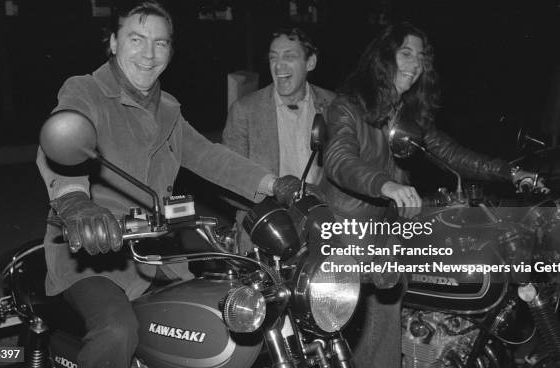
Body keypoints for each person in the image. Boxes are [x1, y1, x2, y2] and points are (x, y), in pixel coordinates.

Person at [36, 2, 303, 367]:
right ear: (113, 43)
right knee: (117, 331)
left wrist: (276, 185)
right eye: (136, 39)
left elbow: (211, 157)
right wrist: (75, 203)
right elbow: (63, 139)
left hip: (155, 253)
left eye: (160, 43)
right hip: (91, 254)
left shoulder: (168, 110)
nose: (148, 54)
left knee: (214, 316)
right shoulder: (85, 91)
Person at [321, 22, 544, 367]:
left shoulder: (406, 117)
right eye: (405, 53)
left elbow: (454, 155)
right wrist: (387, 185)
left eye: (420, 58)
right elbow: (339, 159)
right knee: (366, 337)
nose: (414, 65)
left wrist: (510, 172)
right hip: (344, 235)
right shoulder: (347, 107)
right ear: (383, 58)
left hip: (386, 235)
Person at [222, 27, 335, 252]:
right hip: (264, 236)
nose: (278, 65)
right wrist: (278, 192)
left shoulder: (335, 106)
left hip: (324, 231)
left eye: (289, 57)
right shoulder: (245, 111)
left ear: (310, 62)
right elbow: (228, 181)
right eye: (273, 58)